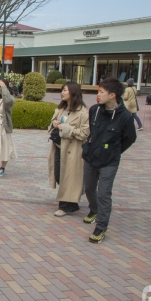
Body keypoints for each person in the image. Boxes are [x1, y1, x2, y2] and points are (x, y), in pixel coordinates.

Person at [82, 77, 136, 243]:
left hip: (109, 162)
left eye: (102, 92)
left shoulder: (125, 117)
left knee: (104, 193)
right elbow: (92, 131)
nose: (98, 95)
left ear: (112, 95)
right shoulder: (94, 110)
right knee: (89, 188)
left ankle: (101, 227)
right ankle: (94, 209)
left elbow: (130, 138)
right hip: (92, 157)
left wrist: (114, 151)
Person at [48, 82, 90, 217]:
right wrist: (54, 123)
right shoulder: (61, 108)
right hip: (59, 147)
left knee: (68, 177)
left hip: (72, 150)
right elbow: (53, 122)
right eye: (62, 90)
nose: (62, 92)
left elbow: (84, 133)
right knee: (59, 175)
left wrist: (65, 128)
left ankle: (66, 206)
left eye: (64, 90)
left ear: (73, 92)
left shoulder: (83, 112)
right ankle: (71, 202)